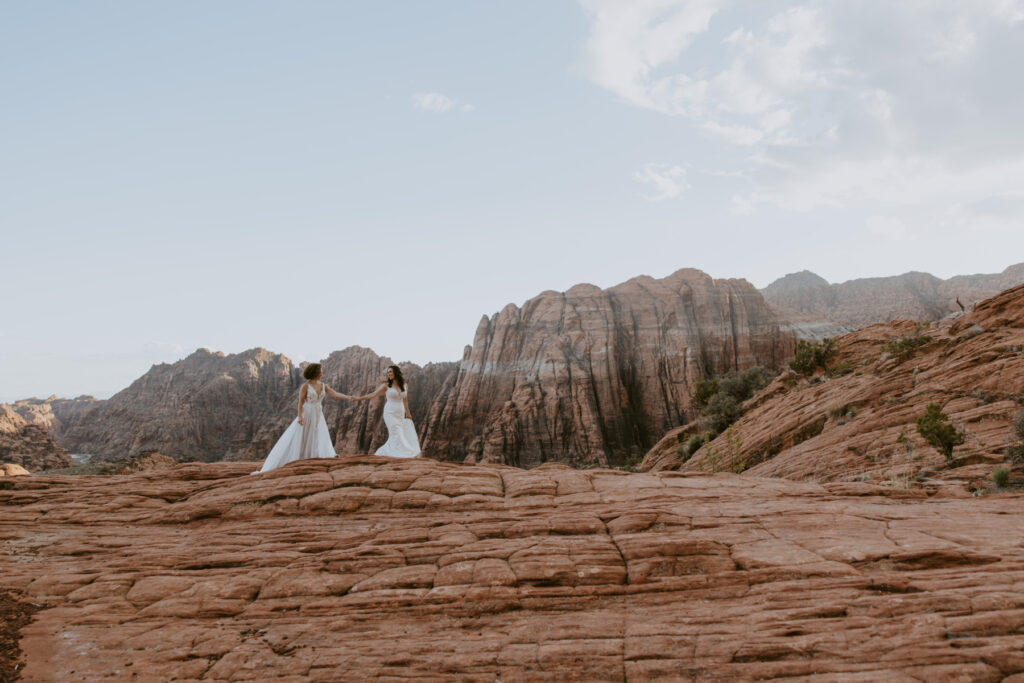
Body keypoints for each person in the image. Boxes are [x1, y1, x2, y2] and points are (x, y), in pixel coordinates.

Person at [253, 363, 347, 473]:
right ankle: (298, 457)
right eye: (320, 371)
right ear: (315, 373)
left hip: (317, 413)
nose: (321, 373)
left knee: (320, 433)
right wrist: (300, 416)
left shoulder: (323, 385)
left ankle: (323, 454)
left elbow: (334, 393)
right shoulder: (305, 386)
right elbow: (301, 402)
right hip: (307, 413)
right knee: (304, 434)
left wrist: (349, 398)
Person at [345, 365, 422, 458]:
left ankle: (391, 452)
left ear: (396, 372)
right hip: (390, 412)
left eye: (390, 371)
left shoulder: (404, 386)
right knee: (396, 432)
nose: (388, 374)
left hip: (400, 412)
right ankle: (403, 454)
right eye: (388, 372)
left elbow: (405, 400)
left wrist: (408, 413)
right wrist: (358, 398)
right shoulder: (385, 386)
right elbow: (372, 395)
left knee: (398, 433)